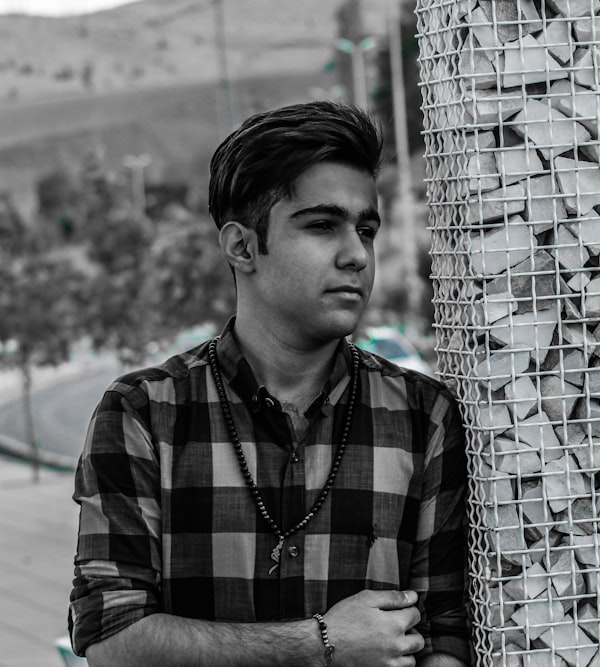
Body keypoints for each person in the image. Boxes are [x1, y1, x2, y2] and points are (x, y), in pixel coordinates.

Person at [69, 101, 470, 667]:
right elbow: (113, 640)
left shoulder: (422, 416)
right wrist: (321, 643)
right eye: (323, 225)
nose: (356, 254)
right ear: (241, 246)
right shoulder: (143, 414)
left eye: (366, 229)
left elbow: (448, 634)